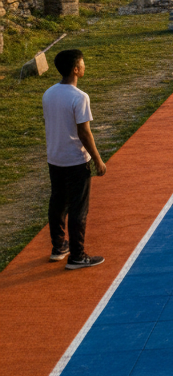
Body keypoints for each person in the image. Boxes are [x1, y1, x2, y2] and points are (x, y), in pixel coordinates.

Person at [42, 49, 107, 270]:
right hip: (76, 160)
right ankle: (78, 255)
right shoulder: (80, 97)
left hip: (55, 157)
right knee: (79, 208)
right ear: (75, 69)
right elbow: (84, 132)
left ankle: (59, 246)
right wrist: (97, 159)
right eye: (82, 63)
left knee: (58, 202)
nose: (85, 65)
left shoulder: (48, 93)